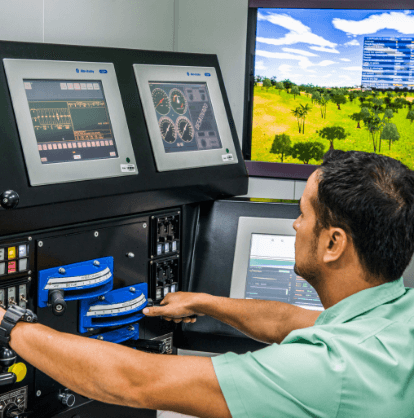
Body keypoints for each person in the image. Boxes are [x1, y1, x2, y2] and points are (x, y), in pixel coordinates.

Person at [2, 149, 414, 418]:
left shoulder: (326, 371)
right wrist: (208, 302)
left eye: (304, 214)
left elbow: (135, 381)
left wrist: (11, 326)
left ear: (332, 243)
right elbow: (291, 321)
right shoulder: (396, 317)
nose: (294, 224)